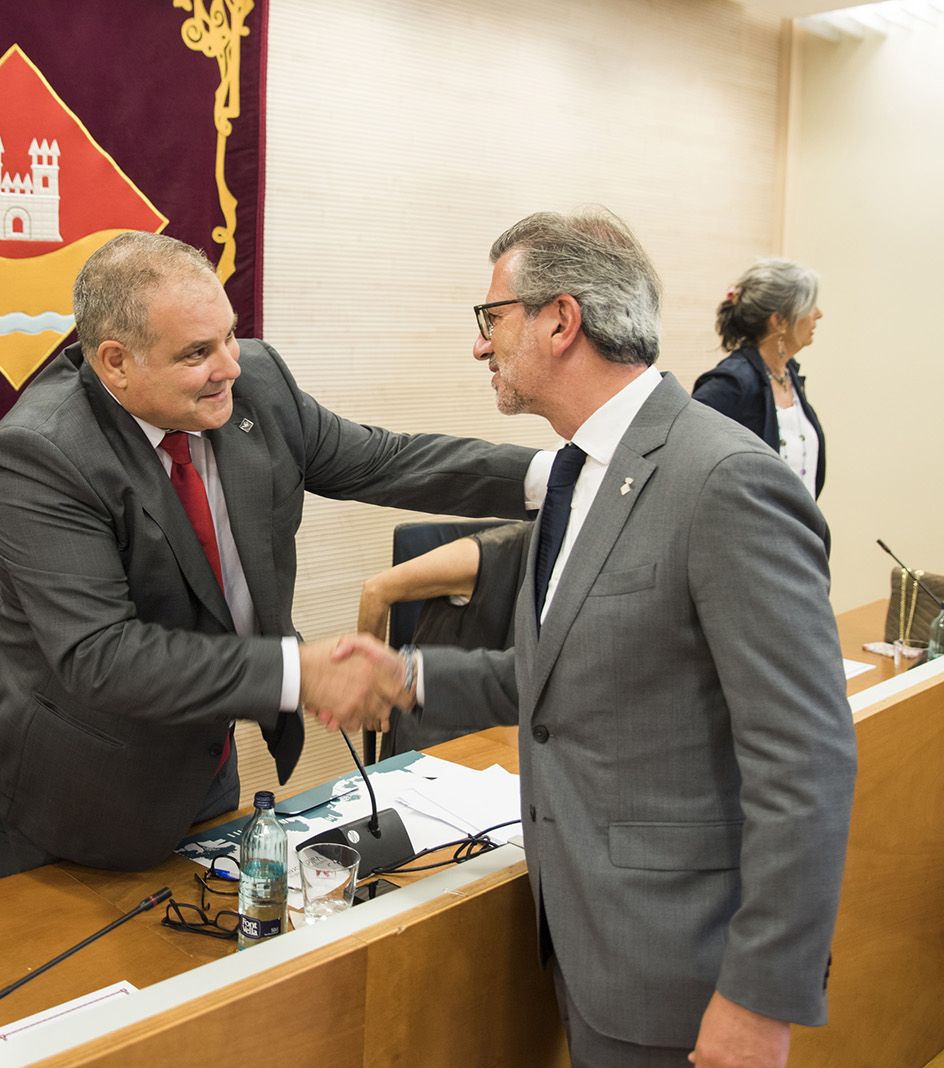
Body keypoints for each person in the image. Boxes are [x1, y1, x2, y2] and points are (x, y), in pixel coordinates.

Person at [331, 210, 856, 1067]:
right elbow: (562, 676)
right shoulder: (579, 473)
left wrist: (761, 995)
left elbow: (807, 758)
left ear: (561, 320)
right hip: (585, 941)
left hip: (681, 974)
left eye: (491, 318)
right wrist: (407, 675)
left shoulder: (723, 481)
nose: (480, 346)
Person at [0, 231, 550, 873]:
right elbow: (103, 657)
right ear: (116, 362)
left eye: (229, 336)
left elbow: (385, 460)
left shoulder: (254, 383)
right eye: (197, 353)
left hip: (203, 760)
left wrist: (557, 477)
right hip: (79, 790)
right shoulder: (41, 453)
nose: (230, 365)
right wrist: (300, 672)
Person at [356, 519, 530, 754]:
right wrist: (372, 690)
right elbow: (376, 591)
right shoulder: (488, 552)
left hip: (505, 723)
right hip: (438, 725)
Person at [693, 259, 826, 498]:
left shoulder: (788, 374)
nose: (818, 314)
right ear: (780, 321)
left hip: (800, 534)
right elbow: (687, 457)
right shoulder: (732, 383)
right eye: (810, 306)